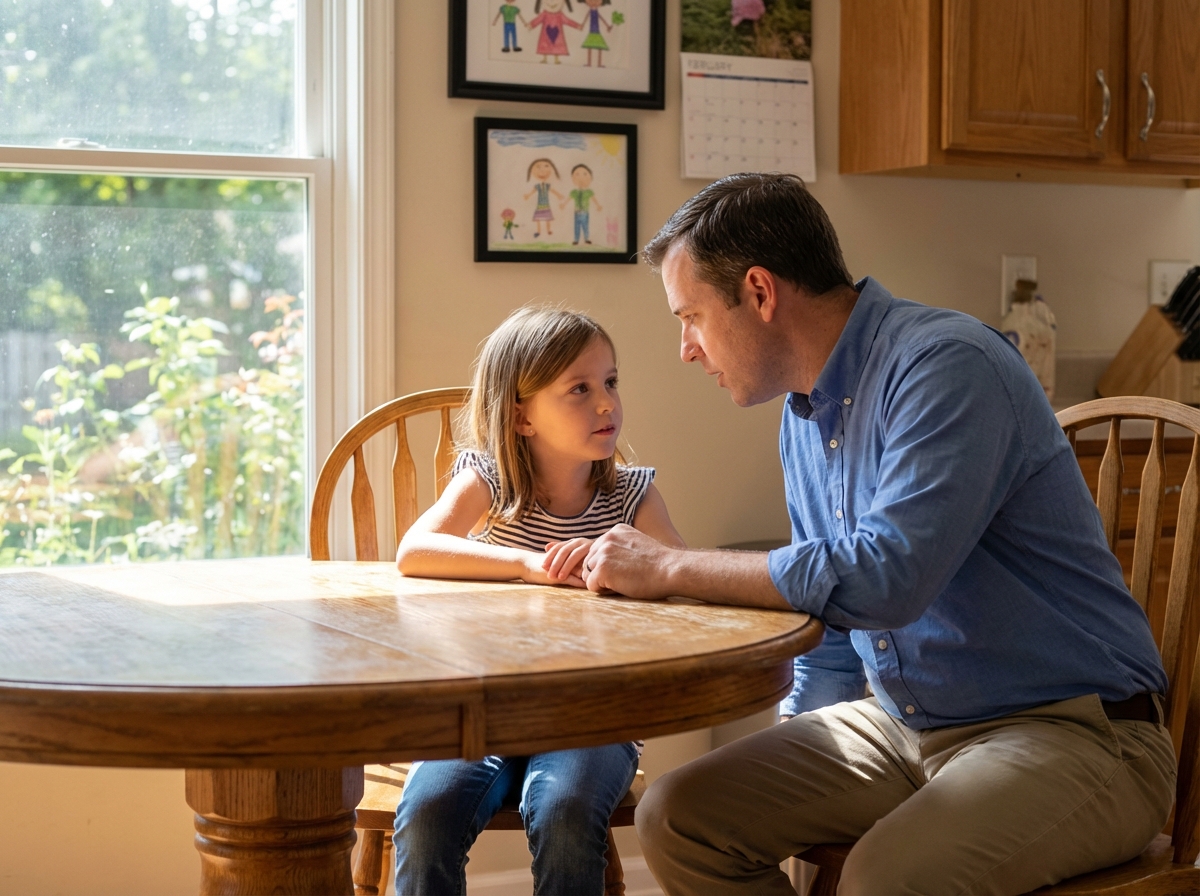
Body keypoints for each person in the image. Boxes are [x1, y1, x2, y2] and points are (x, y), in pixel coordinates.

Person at [577, 173, 1174, 895]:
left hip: (1077, 734)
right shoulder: (802, 415)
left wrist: (671, 568)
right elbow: (828, 632)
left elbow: (886, 578)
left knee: (882, 879)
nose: (685, 348)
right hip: (905, 726)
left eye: (692, 317)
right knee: (678, 816)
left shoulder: (948, 366)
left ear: (761, 293)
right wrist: (800, 769)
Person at [393, 306, 686, 896]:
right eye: (579, 388)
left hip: (596, 717)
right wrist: (530, 565)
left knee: (566, 812)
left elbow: (685, 583)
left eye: (610, 382)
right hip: (486, 714)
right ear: (521, 416)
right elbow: (416, 550)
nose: (606, 403)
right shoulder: (490, 478)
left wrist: (635, 571)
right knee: (426, 818)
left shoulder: (632, 495)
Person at [562, 163, 602, 245]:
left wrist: (598, 205)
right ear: (572, 178)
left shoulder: (589, 192)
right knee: (576, 226)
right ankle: (576, 240)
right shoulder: (574, 192)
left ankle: (586, 238)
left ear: (590, 178)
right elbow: (569, 199)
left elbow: (593, 199)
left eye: (585, 174)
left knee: (585, 226)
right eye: (577, 174)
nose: (581, 178)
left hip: (585, 212)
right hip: (576, 212)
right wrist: (564, 204)